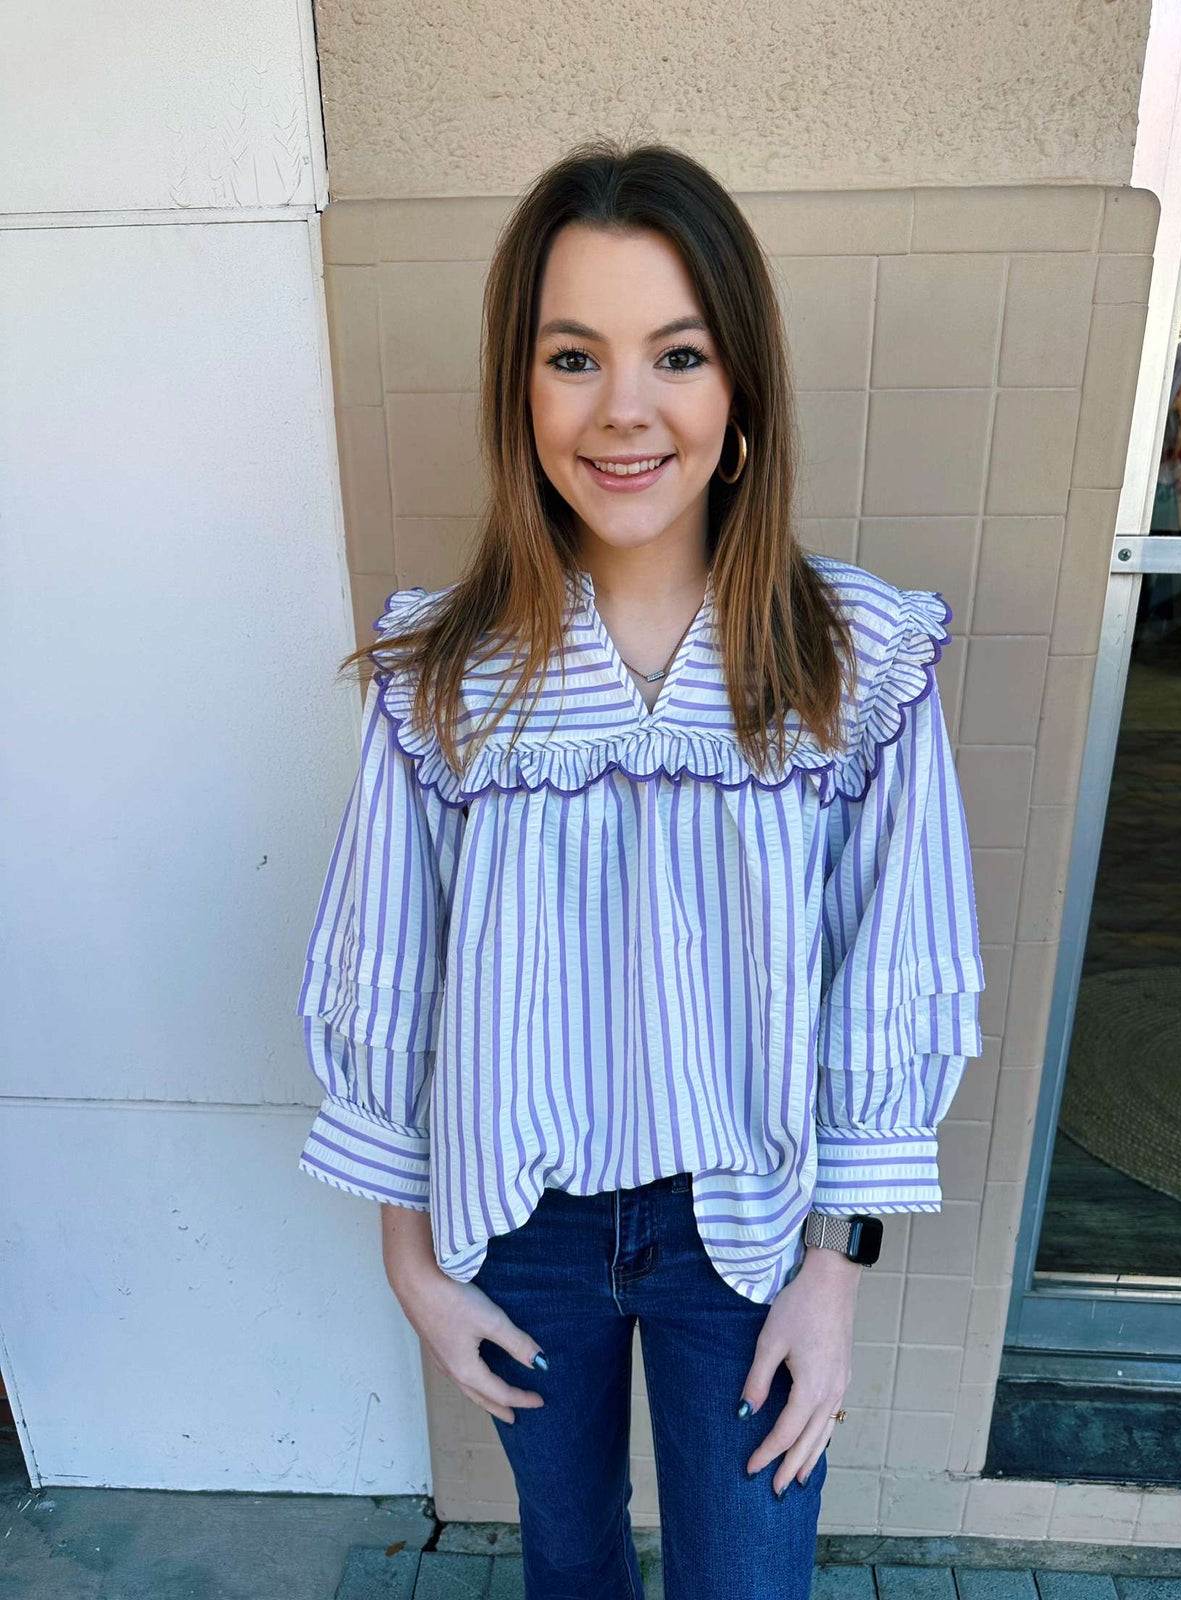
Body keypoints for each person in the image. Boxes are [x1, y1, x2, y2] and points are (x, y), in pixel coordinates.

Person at [295, 136, 986, 1600]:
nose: (623, 410)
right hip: (522, 1233)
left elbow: (889, 976)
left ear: (739, 396)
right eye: (572, 355)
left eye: (676, 354)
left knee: (746, 1577)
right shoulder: (445, 675)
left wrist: (837, 1273)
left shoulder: (851, 664)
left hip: (745, 1234)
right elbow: (391, 975)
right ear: (519, 389)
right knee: (573, 1561)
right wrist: (411, 1263)